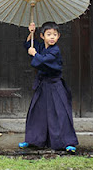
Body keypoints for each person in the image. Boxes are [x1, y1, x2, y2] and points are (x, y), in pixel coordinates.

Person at [18, 21, 78, 152]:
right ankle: (33, 140)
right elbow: (29, 44)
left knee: (60, 113)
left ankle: (67, 142)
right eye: (49, 34)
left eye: (54, 34)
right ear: (42, 36)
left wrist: (34, 54)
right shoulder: (41, 47)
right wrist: (31, 32)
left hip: (55, 85)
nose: (52, 37)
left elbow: (43, 61)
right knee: (37, 113)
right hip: (43, 85)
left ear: (58, 36)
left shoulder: (55, 50)